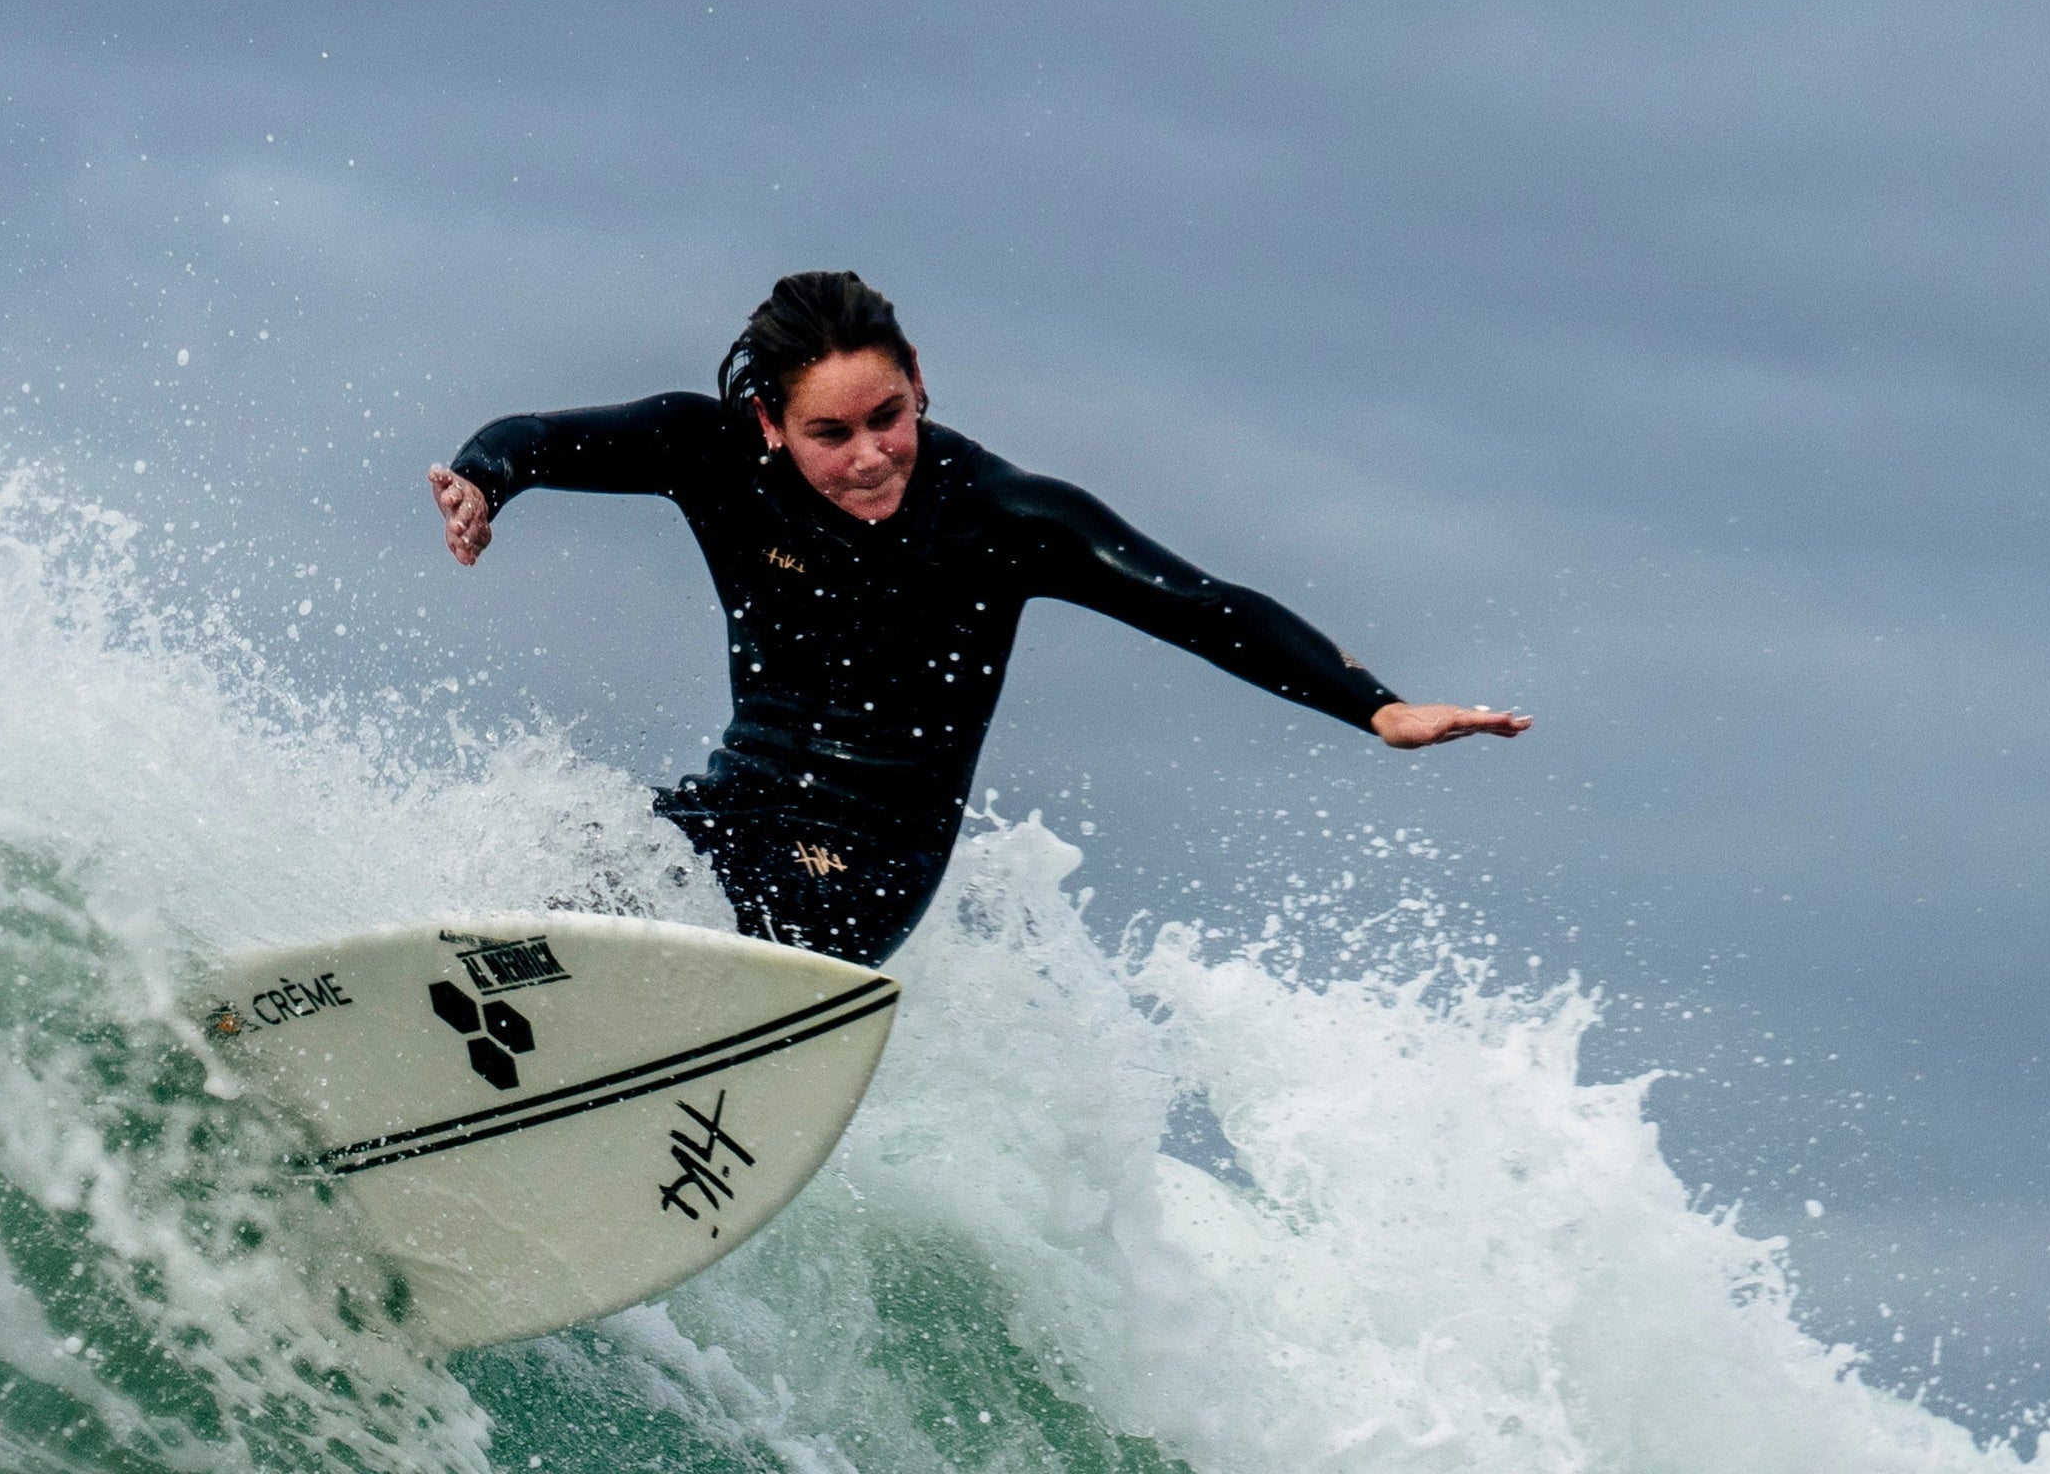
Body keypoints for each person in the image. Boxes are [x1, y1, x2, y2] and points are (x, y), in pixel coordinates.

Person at [426, 270, 1528, 964]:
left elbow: (1203, 606)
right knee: (570, 854)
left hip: (859, 872)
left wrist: (1375, 708)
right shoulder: (704, 452)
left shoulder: (1004, 519)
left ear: (917, 380)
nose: (868, 456)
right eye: (829, 433)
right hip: (733, 813)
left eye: (888, 416)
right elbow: (539, 435)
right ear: (766, 422)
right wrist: (484, 481)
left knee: (678, 903)